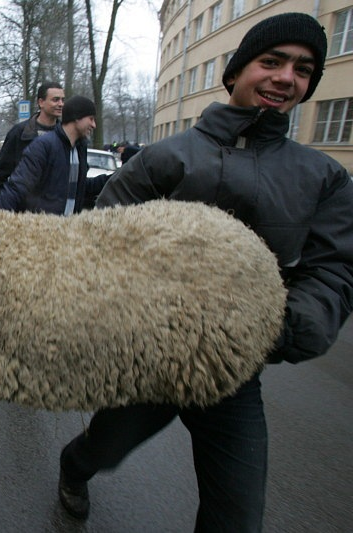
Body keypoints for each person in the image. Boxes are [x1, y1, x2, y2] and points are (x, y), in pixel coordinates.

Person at [57, 13, 353, 531]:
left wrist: (276, 330)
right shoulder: (166, 158)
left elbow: (333, 273)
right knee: (101, 448)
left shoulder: (322, 177)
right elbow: (96, 241)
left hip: (234, 372)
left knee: (237, 515)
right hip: (150, 363)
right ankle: (74, 465)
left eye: (302, 70)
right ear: (236, 72)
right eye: (271, 61)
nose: (286, 77)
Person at [0, 96, 110, 214]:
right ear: (77, 117)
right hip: (43, 229)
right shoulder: (44, 146)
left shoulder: (80, 149)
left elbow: (80, 187)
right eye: (91, 119)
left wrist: (115, 178)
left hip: (68, 229)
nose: (94, 125)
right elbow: (17, 187)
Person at [0, 81, 65, 205]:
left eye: (62, 100)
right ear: (41, 102)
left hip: (54, 212)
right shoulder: (19, 133)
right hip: (21, 211)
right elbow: (0, 174)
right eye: (55, 100)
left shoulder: (65, 135)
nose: (60, 104)